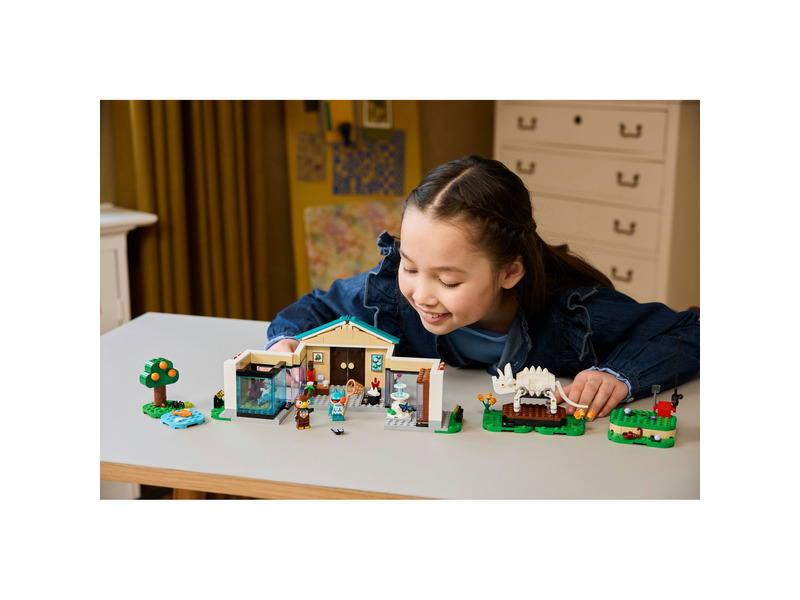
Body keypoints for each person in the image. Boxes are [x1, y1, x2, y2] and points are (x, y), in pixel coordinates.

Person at [267, 156, 699, 420]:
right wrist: (285, 342)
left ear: (510, 273)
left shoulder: (575, 315)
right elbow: (314, 309)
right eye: (410, 267)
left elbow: (690, 332)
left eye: (448, 280)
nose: (421, 295)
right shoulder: (391, 295)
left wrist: (618, 375)